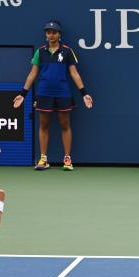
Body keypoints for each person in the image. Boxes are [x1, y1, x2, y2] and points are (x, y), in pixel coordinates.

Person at [12, 20, 94, 171]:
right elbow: (32, 74)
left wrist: (84, 93)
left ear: (59, 34)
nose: (51, 35)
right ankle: (43, 158)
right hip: (44, 93)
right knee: (43, 125)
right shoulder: (40, 51)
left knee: (65, 124)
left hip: (63, 93)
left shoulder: (67, 51)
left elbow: (74, 73)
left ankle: (67, 158)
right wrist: (23, 93)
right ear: (46, 35)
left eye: (54, 32)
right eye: (48, 32)